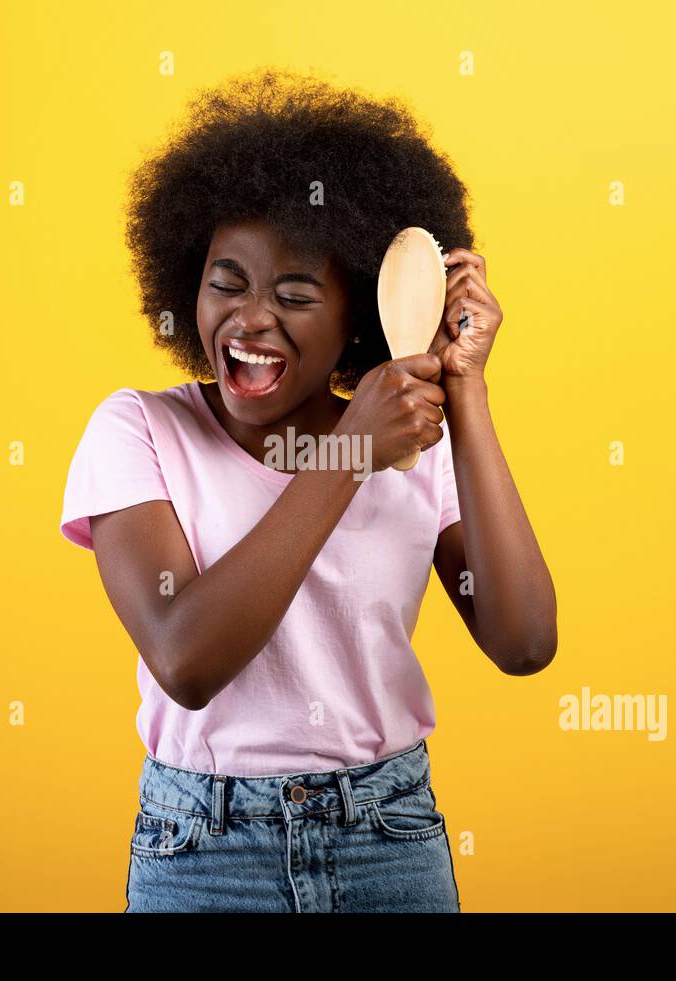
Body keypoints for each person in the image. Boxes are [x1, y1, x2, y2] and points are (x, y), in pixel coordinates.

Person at [60, 67, 557, 912]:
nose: (249, 319)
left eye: (293, 295)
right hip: (202, 850)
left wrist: (464, 391)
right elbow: (186, 657)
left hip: (388, 840)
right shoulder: (137, 430)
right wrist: (348, 456)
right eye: (225, 284)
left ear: (358, 321)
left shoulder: (411, 440)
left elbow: (524, 643)